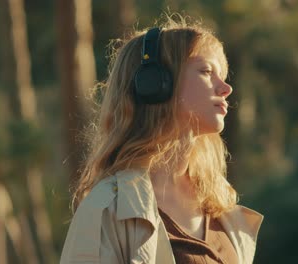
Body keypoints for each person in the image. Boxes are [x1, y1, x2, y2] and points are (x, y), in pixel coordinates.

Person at [60, 15, 263, 264]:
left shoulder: (220, 206)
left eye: (222, 75)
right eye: (206, 71)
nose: (225, 88)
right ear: (155, 84)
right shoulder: (106, 209)